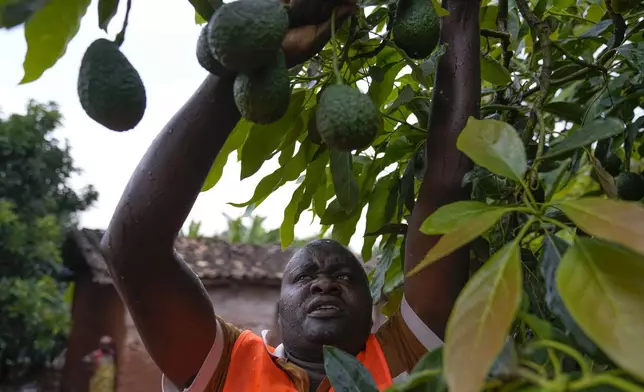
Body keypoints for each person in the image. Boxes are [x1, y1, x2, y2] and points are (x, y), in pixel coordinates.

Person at [99, 0, 480, 390]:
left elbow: (447, 185)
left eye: (345, 276)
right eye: (304, 276)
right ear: (277, 314)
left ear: (373, 313)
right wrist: (246, 66)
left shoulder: (407, 355)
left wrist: (460, 13)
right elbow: (133, 250)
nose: (324, 284)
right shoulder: (229, 364)